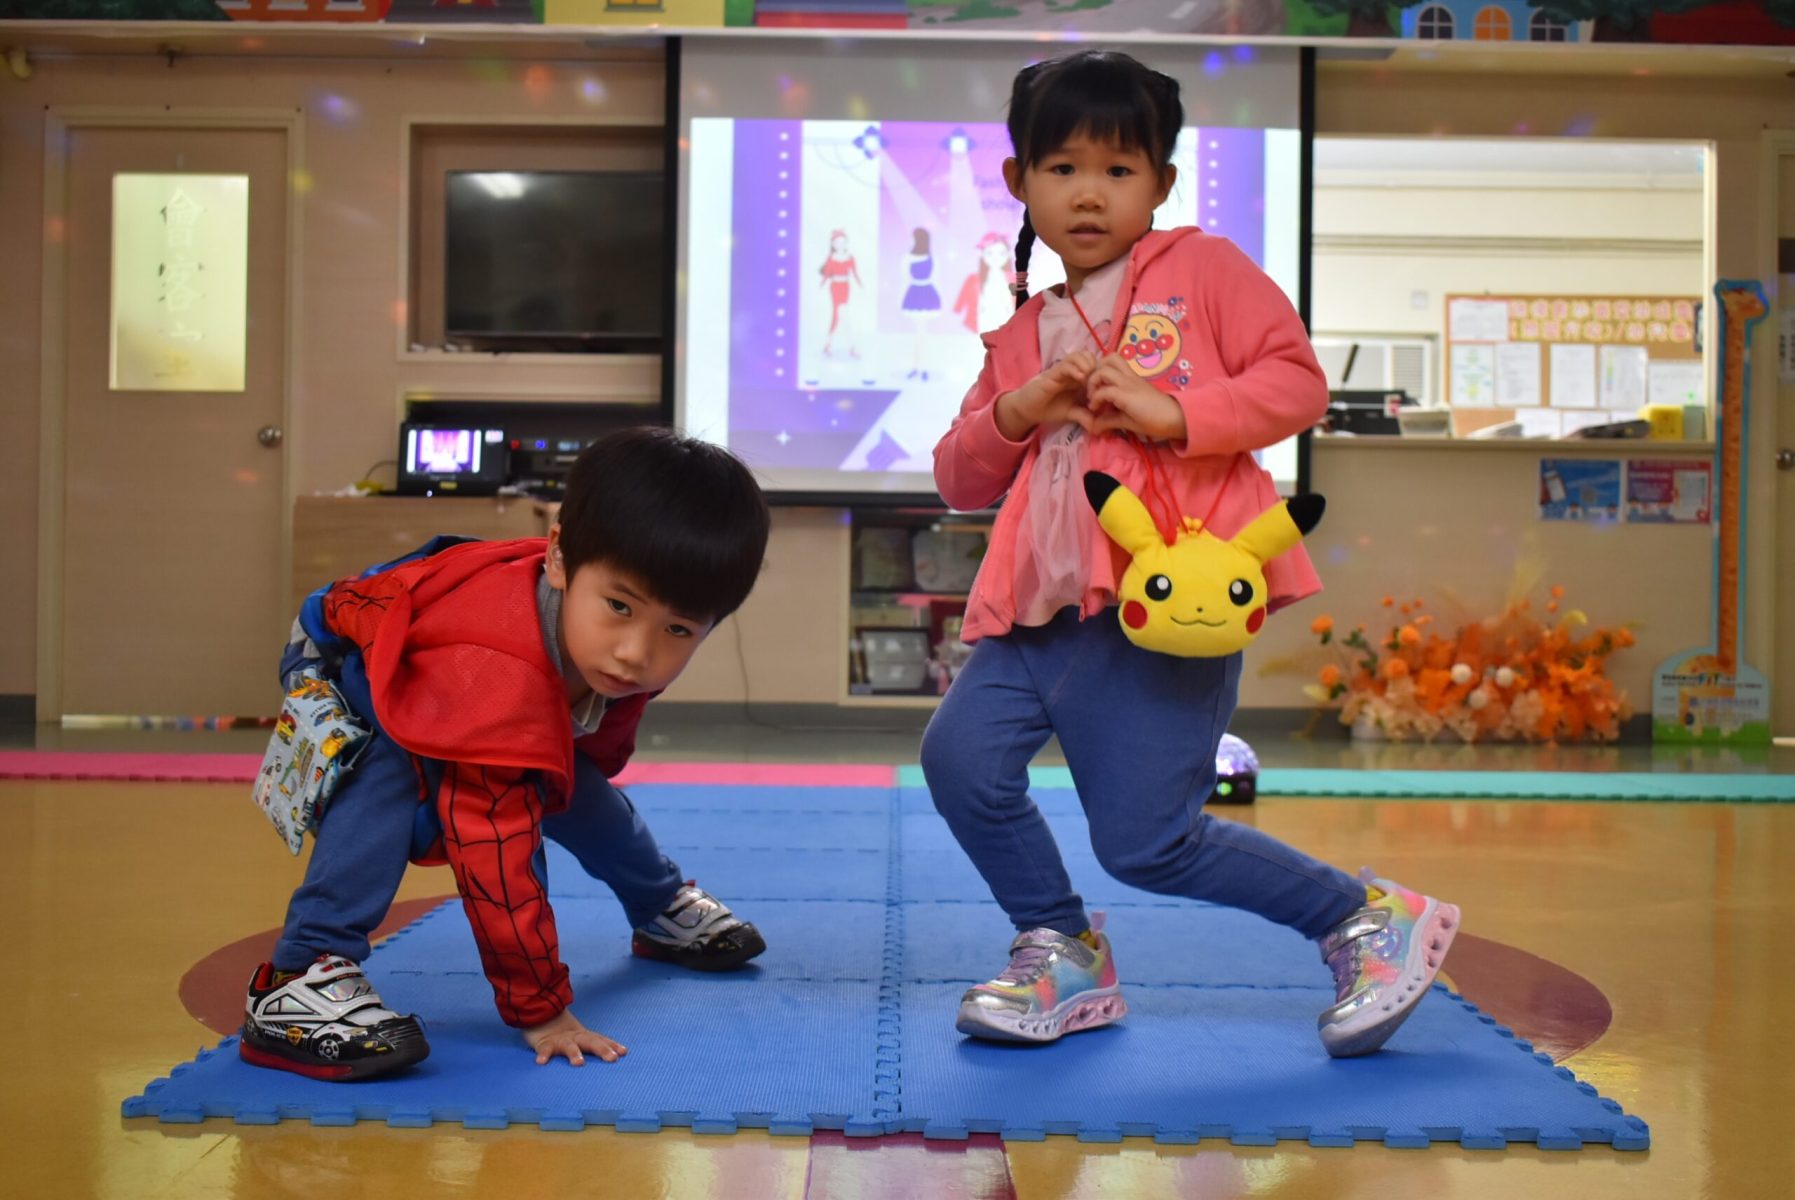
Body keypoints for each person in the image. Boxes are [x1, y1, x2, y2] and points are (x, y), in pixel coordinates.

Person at [923, 50, 1459, 1056]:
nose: (1089, 193)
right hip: (1035, 617)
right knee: (958, 763)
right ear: (1018, 181)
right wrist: (1016, 408)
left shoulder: (1202, 270)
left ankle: (1365, 919)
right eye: (1062, 168)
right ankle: (1061, 946)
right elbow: (958, 476)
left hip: (1161, 613)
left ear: (1161, 183)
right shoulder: (1021, 332)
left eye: (1118, 169)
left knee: (1147, 843)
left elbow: (1295, 383)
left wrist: (1175, 411)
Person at [241, 427, 772, 1080]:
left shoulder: (612, 632)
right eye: (618, 607)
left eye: (678, 629)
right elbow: (494, 853)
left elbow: (590, 754)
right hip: (344, 664)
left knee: (575, 790)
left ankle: (659, 905)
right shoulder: (496, 674)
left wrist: (568, 778)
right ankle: (294, 978)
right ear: (559, 561)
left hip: (456, 678)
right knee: (383, 778)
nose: (636, 651)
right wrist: (541, 1010)